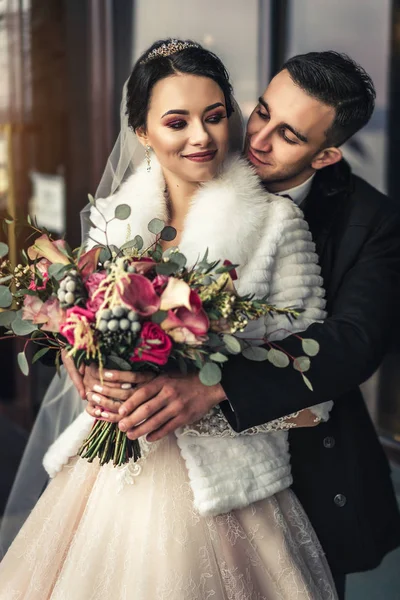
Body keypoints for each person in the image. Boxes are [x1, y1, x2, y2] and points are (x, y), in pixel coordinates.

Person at [0, 39, 338, 599]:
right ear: (142, 133)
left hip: (227, 490)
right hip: (106, 473)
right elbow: (83, 323)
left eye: (214, 116)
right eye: (177, 122)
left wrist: (212, 395)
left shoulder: (277, 225)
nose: (202, 137)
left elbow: (313, 390)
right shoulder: (112, 222)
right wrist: (79, 357)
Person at [81, 51, 400, 600]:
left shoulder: (369, 223)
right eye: (260, 113)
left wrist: (212, 386)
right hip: (146, 461)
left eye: (289, 135)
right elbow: (91, 301)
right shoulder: (152, 194)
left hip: (302, 454)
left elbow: (353, 343)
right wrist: (85, 354)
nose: (258, 140)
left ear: (325, 156)